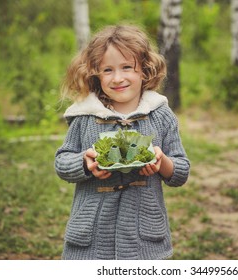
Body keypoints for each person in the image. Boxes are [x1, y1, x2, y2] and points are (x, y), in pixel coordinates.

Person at [54, 25, 190, 260]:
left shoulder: (161, 115)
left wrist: (162, 163)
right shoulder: (85, 116)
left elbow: (181, 171)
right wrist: (85, 163)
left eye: (127, 67)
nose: (118, 78)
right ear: (95, 74)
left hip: (143, 241)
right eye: (107, 70)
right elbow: (62, 162)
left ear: (144, 71)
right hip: (91, 241)